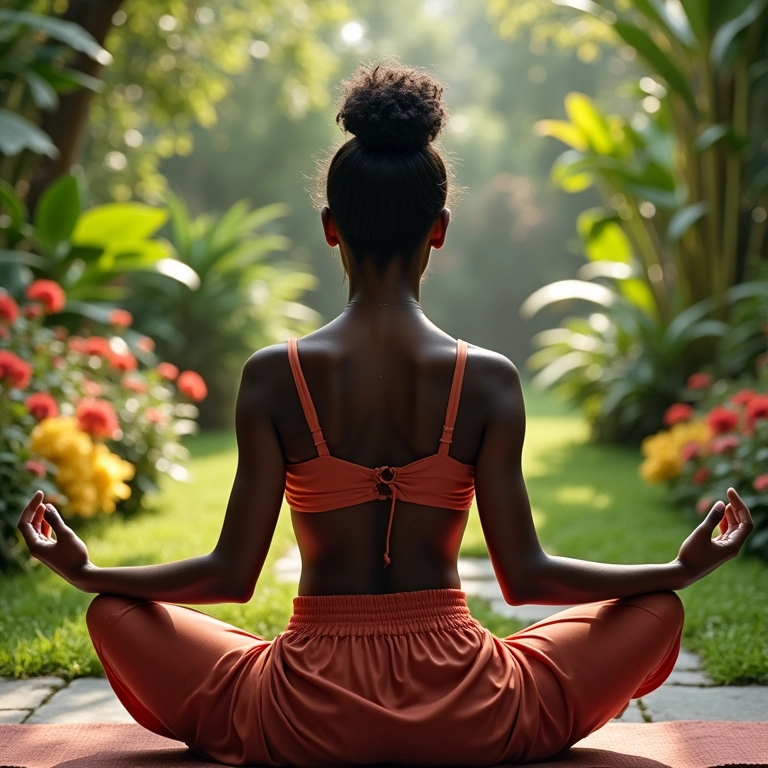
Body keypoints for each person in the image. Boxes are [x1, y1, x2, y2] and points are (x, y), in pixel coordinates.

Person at [18, 62, 753, 767]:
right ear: (439, 228)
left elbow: (232, 573)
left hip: (301, 716)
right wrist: (677, 568)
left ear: (331, 227)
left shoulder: (275, 376)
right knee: (655, 610)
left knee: (112, 614)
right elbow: (526, 577)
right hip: (471, 712)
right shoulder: (489, 381)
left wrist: (90, 571)